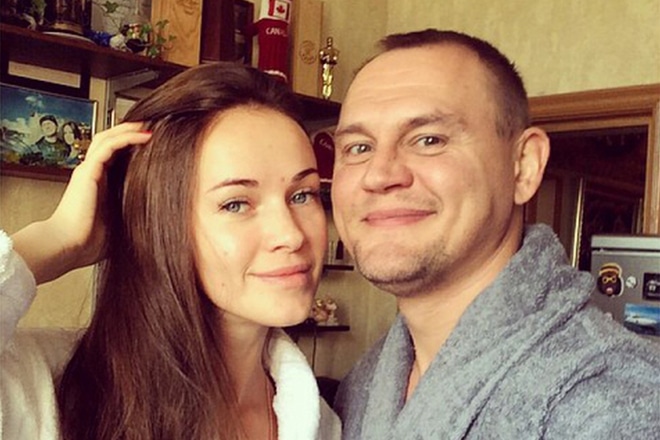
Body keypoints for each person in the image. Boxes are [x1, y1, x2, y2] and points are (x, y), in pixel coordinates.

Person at [330, 29, 660, 439]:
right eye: (358, 147)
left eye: (428, 140)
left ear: (523, 166)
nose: (379, 175)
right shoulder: (366, 383)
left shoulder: (614, 400)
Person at [0, 63, 341, 439]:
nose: (291, 235)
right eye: (236, 203)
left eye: (302, 195)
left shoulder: (322, 425)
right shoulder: (40, 392)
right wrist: (55, 240)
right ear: (162, 226)